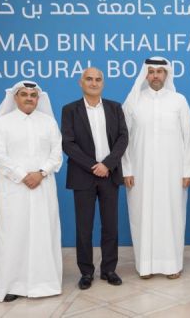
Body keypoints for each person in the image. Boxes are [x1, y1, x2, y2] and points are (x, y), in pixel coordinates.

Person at [0, 81, 62, 302]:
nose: (29, 98)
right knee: (13, 235)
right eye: (24, 94)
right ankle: (11, 285)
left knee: (44, 233)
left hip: (43, 186)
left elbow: (56, 153)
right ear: (15, 98)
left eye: (33, 95)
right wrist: (23, 175)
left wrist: (41, 172)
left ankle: (44, 283)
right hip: (14, 188)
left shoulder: (49, 123)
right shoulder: (2, 123)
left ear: (39, 98)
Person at [122, 56, 190, 279]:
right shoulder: (134, 101)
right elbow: (124, 138)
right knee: (141, 215)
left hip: (172, 172)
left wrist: (187, 171)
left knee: (172, 215)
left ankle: (172, 265)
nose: (155, 75)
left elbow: (188, 137)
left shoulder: (179, 100)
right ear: (145, 74)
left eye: (159, 71)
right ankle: (146, 266)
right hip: (140, 172)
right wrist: (127, 169)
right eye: (151, 71)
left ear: (166, 75)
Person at [61, 67, 129, 290]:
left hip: (109, 175)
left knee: (111, 226)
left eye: (98, 79)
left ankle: (109, 269)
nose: (94, 82)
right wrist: (93, 166)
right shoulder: (70, 109)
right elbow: (67, 143)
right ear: (81, 82)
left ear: (103, 83)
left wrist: (107, 164)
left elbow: (122, 138)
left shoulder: (114, 107)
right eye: (89, 79)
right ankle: (86, 272)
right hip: (83, 176)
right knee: (84, 228)